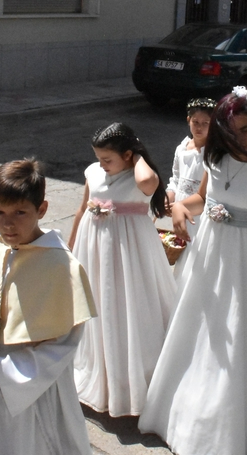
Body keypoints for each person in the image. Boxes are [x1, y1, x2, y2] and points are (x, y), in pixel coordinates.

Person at [139, 88, 247, 455]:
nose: (237, 138)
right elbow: (202, 198)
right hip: (209, 257)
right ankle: (192, 407)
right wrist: (181, 210)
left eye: (246, 130)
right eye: (229, 131)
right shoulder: (213, 159)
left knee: (243, 334)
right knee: (202, 331)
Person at [0, 159, 96, 455]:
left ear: (42, 209)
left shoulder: (60, 265)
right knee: (4, 446)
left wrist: (9, 371)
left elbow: (65, 342)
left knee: (45, 446)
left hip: (40, 388)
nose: (8, 224)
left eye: (19, 213)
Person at [69, 123, 177, 417]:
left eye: (108, 159)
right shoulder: (93, 172)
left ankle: (132, 381)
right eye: (99, 158)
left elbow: (149, 180)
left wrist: (137, 155)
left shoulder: (140, 178)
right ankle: (100, 373)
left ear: (127, 155)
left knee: (129, 307)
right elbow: (82, 209)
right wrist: (71, 245)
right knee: (99, 307)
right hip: (95, 251)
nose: (102, 165)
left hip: (130, 254)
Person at [166, 98, 215, 282]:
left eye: (205, 123)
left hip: (201, 212)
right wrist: (169, 194)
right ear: (188, 120)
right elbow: (176, 178)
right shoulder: (182, 148)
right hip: (181, 207)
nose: (199, 127)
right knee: (183, 251)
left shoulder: (213, 152)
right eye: (195, 122)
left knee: (199, 253)